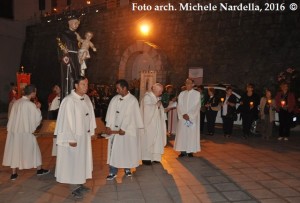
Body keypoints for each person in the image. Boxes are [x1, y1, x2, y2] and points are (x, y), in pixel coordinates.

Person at [54, 76, 96, 199]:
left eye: (87, 84)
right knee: (72, 162)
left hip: (84, 137)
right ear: (76, 85)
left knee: (81, 161)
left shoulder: (86, 98)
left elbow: (91, 115)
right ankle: (74, 187)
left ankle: (80, 183)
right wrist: (70, 138)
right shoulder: (69, 101)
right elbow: (66, 121)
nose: (86, 87)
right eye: (83, 84)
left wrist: (92, 131)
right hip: (73, 138)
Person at [3, 84, 50, 180]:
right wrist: (38, 108)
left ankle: (14, 174)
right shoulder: (30, 104)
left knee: (15, 150)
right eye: (35, 92)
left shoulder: (17, 102)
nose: (36, 93)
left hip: (15, 131)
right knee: (34, 149)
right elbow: (37, 119)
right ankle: (39, 169)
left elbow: (11, 117)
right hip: (26, 132)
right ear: (32, 93)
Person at [105, 79, 144, 180]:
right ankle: (113, 171)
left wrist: (123, 128)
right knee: (113, 150)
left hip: (127, 131)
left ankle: (127, 169)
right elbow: (110, 113)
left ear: (124, 88)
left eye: (118, 88)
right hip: (115, 130)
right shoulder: (114, 99)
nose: (116, 91)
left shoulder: (133, 100)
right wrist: (108, 125)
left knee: (127, 150)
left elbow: (129, 116)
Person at [140, 83, 167, 165]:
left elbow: (160, 110)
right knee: (148, 140)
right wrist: (156, 106)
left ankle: (155, 157)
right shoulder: (147, 97)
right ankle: (146, 158)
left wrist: (164, 109)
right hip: (149, 124)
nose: (161, 93)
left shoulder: (156, 97)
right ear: (154, 89)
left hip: (157, 124)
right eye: (160, 91)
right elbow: (147, 110)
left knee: (156, 140)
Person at [174, 78, 201, 157]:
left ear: (193, 84)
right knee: (182, 133)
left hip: (191, 118)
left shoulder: (197, 94)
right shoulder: (182, 93)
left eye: (189, 83)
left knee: (191, 133)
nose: (187, 84)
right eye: (186, 83)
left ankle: (190, 151)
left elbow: (196, 105)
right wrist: (183, 114)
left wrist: (189, 115)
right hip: (183, 118)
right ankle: (182, 151)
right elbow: (179, 105)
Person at [57, 16, 81, 99]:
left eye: (78, 24)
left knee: (76, 77)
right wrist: (63, 49)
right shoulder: (63, 34)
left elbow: (80, 46)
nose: (77, 25)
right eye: (75, 23)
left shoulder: (76, 35)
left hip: (76, 58)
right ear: (69, 23)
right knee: (70, 76)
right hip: (68, 57)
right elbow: (59, 42)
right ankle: (68, 98)